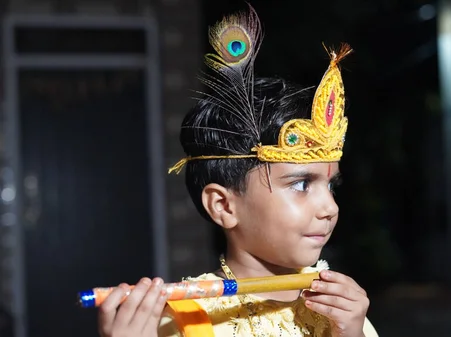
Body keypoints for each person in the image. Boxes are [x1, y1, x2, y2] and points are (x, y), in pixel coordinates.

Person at [97, 5, 378, 337]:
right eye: (302, 184)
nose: (330, 208)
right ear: (223, 205)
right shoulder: (185, 319)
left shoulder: (340, 311)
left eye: (330, 186)